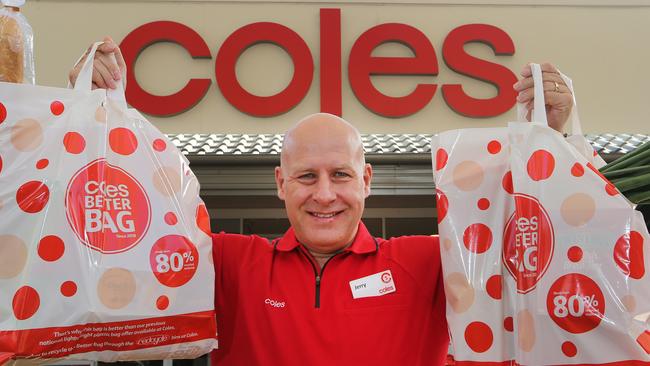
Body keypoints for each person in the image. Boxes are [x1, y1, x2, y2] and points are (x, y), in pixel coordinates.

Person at [69, 38, 573, 365]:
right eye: (307, 176)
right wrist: (94, 115)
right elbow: (120, 241)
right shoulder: (228, 262)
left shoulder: (430, 261)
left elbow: (534, 248)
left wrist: (554, 137)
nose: (325, 194)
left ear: (367, 180)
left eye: (341, 175)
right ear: (280, 183)